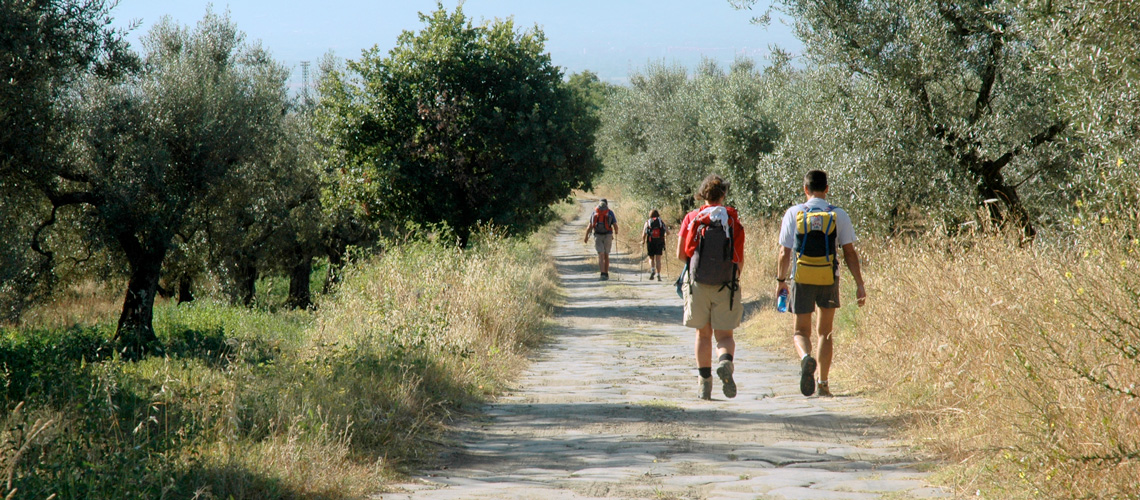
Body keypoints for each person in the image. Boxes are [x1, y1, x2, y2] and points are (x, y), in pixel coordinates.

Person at [775, 170, 866, 397]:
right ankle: (823, 384)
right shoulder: (839, 215)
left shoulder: (793, 213)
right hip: (828, 278)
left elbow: (784, 252)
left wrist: (780, 281)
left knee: (800, 331)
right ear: (827, 189)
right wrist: (859, 283)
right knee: (825, 332)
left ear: (805, 190)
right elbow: (849, 253)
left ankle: (807, 358)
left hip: (801, 278)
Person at [677, 174, 745, 400]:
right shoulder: (732, 220)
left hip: (698, 283)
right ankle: (725, 362)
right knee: (724, 336)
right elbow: (738, 259)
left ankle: (704, 385)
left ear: (702, 194)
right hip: (726, 284)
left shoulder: (692, 218)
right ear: (724, 194)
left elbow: (681, 254)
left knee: (702, 334)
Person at [584, 198, 618, 280]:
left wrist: (586, 237)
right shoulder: (610, 212)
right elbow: (615, 226)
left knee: (601, 255)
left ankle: (602, 274)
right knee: (606, 255)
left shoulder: (595, 212)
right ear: (607, 205)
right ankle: (606, 274)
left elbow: (590, 226)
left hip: (598, 235)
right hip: (608, 235)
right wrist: (615, 233)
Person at [642, 209, 668, 281]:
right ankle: (659, 275)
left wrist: (643, 241)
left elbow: (644, 233)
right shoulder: (661, 222)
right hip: (659, 241)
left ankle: (653, 270)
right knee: (658, 259)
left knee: (651, 258)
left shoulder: (648, 222)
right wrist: (664, 237)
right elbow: (667, 232)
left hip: (650, 241)